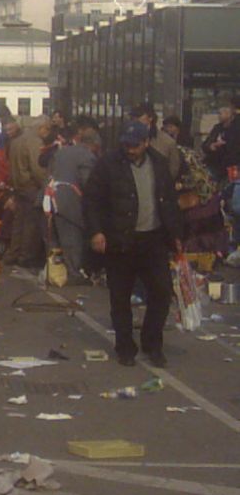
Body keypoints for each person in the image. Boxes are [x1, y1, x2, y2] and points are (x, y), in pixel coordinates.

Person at [83, 120, 181, 367]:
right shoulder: (108, 164)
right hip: (120, 240)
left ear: (146, 142)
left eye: (135, 145)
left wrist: (177, 234)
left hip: (153, 239)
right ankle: (125, 346)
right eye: (126, 144)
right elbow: (92, 200)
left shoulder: (158, 163)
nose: (130, 149)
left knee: (161, 293)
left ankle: (152, 343)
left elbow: (169, 201)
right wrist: (96, 232)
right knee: (120, 297)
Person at [48, 125, 101, 281]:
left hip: (50, 198)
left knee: (54, 240)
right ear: (95, 144)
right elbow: (89, 184)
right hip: (69, 202)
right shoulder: (88, 157)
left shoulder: (62, 152)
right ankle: (74, 273)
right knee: (72, 238)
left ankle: (55, 273)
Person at [5, 116, 49, 269]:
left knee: (18, 222)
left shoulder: (16, 141)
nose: (47, 133)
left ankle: (13, 253)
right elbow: (37, 167)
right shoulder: (35, 142)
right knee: (31, 223)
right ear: (41, 128)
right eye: (47, 129)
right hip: (31, 186)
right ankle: (26, 256)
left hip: (18, 185)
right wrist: (46, 183)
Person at [202, 98, 240, 182]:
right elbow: (205, 144)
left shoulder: (235, 128)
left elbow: (233, 148)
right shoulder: (217, 128)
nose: (219, 116)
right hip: (214, 164)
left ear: (229, 114)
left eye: (221, 113)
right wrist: (211, 146)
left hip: (230, 165)